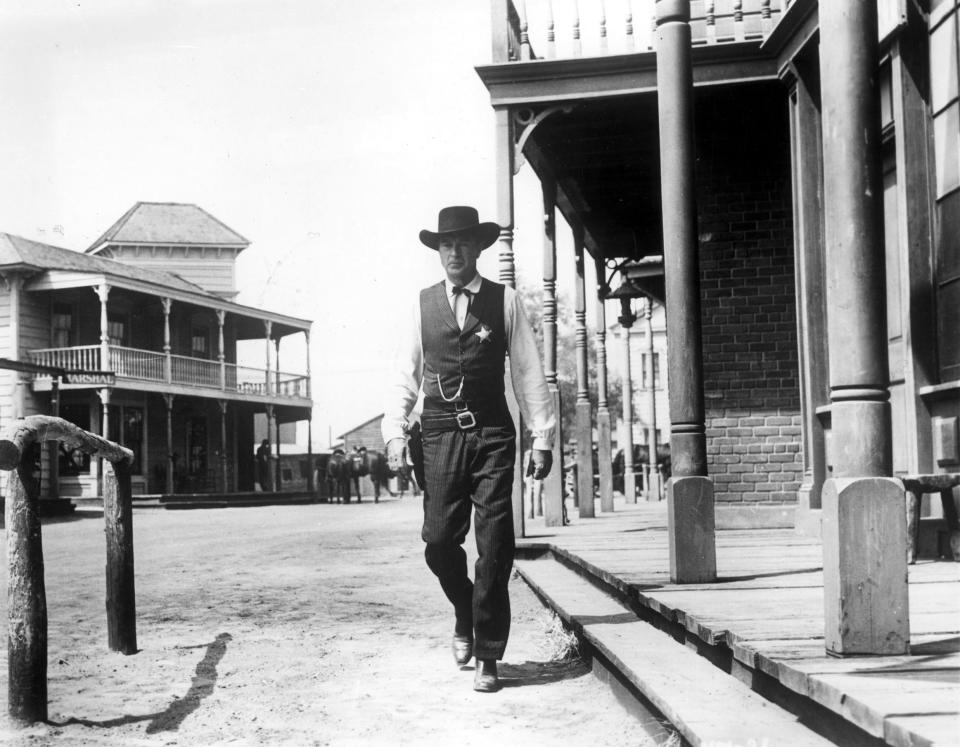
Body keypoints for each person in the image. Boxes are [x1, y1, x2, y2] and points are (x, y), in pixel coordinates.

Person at [383, 205, 555, 693]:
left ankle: (488, 653)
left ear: (478, 248)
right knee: (438, 542)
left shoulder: (504, 301)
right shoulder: (420, 305)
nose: (454, 252)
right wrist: (396, 432)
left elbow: (526, 370)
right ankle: (464, 608)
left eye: (462, 243)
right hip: (438, 433)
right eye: (445, 244)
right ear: (437, 252)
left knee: (495, 545)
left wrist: (540, 437)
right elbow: (405, 373)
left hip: (493, 434)